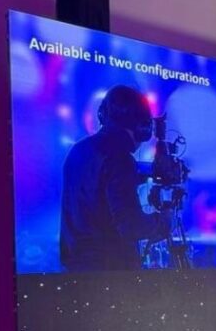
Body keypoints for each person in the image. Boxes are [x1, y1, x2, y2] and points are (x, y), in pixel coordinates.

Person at [59, 84, 164, 271]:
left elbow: (96, 187)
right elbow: (131, 226)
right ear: (141, 127)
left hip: (76, 269)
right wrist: (163, 221)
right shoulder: (120, 158)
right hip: (112, 271)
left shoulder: (78, 149)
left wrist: (138, 173)